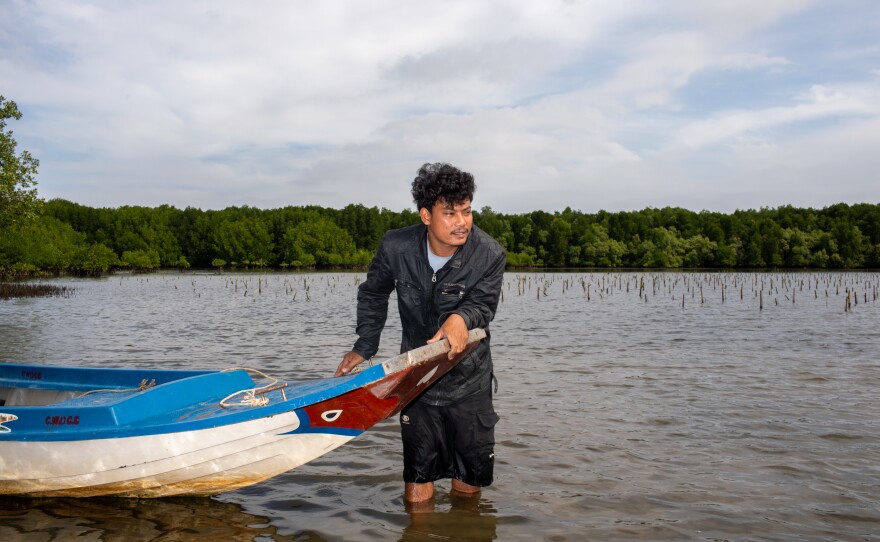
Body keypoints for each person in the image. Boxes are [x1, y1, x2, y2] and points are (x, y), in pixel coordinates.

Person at [335, 162, 506, 504]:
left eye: (467, 212)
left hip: (469, 382)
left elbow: (483, 306)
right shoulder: (396, 247)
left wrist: (461, 318)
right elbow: (373, 292)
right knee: (418, 476)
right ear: (426, 216)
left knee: (468, 481)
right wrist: (365, 345)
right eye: (451, 213)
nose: (462, 223)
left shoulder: (489, 254)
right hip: (418, 379)